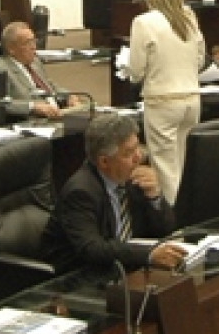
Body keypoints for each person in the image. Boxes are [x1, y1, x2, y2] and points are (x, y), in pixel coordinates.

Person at [39, 111, 184, 275]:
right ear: (104, 161)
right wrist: (148, 255)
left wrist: (155, 196)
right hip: (80, 280)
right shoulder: (81, 192)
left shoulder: (132, 178)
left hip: (124, 270)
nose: (138, 157)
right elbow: (93, 248)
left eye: (138, 147)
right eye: (128, 153)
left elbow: (165, 230)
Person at [125, 0, 206, 201]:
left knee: (166, 169)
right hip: (192, 99)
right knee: (185, 163)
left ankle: (172, 220)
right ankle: (189, 211)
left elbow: (136, 71)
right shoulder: (189, 16)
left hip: (162, 102)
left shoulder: (143, 22)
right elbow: (199, 60)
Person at [0, 21, 73, 120]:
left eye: (34, 41)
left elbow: (50, 85)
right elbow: (0, 103)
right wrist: (33, 107)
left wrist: (68, 96)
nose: (34, 47)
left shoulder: (35, 62)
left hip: (56, 114)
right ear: (11, 49)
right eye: (28, 43)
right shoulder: (0, 70)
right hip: (33, 121)